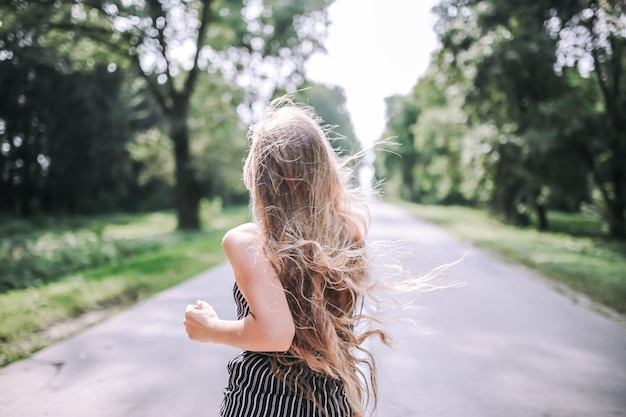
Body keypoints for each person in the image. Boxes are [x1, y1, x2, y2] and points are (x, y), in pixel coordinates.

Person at [184, 98, 391, 417]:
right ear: (323, 171)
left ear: (256, 174)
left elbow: (276, 334)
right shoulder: (346, 235)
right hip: (329, 401)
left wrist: (210, 328)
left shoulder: (248, 242)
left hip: (264, 402)